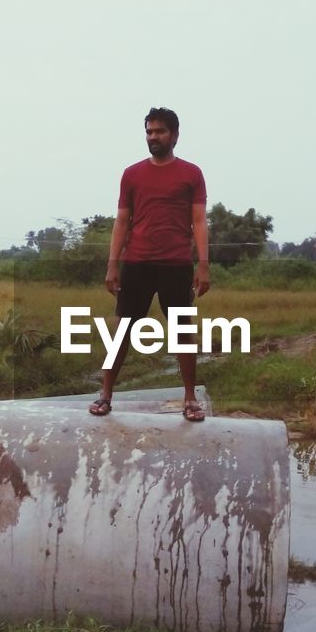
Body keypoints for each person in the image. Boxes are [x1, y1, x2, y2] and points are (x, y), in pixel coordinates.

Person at [89, 107, 210, 421]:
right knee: (123, 331)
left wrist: (204, 265)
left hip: (177, 264)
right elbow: (122, 220)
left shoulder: (191, 173)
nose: (153, 137)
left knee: (183, 331)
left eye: (159, 131)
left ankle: (189, 398)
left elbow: (199, 220)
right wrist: (112, 264)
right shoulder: (131, 174)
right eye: (149, 131)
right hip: (137, 262)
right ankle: (105, 394)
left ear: (175, 135)